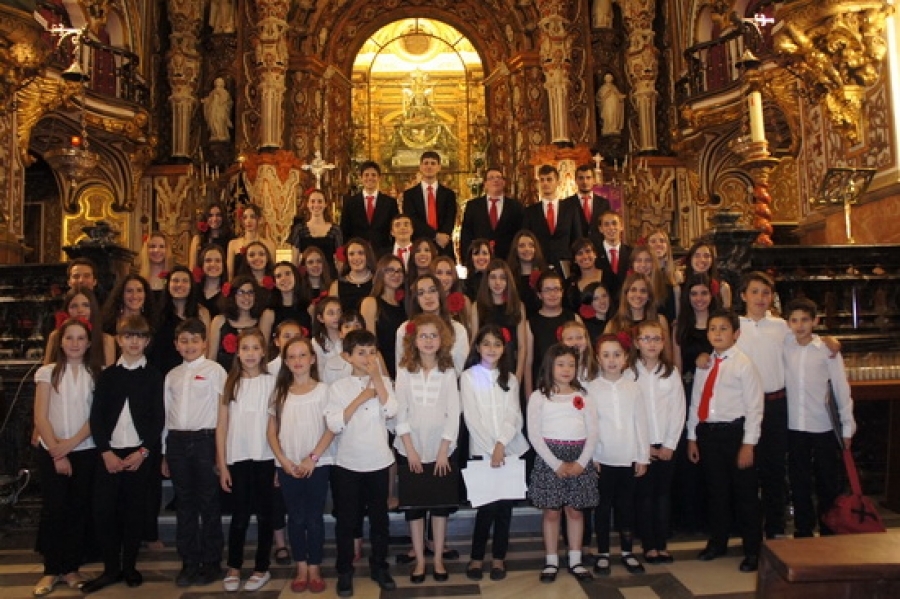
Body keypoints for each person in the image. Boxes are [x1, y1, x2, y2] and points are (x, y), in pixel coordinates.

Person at [82, 315, 164, 594]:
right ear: (119, 340)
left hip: (139, 455)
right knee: (104, 511)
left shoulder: (153, 376)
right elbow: (97, 417)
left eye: (139, 337)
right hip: (110, 454)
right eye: (128, 336)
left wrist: (143, 451)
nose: (134, 342)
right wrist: (105, 452)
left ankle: (129, 566)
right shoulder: (108, 376)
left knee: (134, 512)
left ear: (147, 341)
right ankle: (110, 568)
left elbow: (157, 419)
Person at [686, 309, 763, 573]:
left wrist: (748, 444)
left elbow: (755, 407)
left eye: (723, 329)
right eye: (713, 329)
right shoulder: (705, 364)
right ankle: (718, 542)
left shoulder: (743, 364)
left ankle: (753, 549)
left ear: (736, 334)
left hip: (736, 434)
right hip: (709, 434)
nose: (717, 333)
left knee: (745, 494)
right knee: (716, 492)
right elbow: (696, 401)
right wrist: (692, 437)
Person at [324, 329, 398, 597]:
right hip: (348, 464)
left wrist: (377, 379)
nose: (367, 358)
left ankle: (379, 566)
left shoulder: (384, 383)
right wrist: (360, 399)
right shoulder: (338, 387)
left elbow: (392, 412)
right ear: (348, 357)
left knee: (380, 520)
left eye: (372, 352)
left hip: (378, 461)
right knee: (346, 521)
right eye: (361, 353)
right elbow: (334, 423)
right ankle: (345, 570)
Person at [32, 318, 101, 597]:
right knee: (54, 509)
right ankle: (51, 569)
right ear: (60, 342)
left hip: (84, 450)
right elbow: (41, 416)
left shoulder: (95, 373)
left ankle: (71, 568)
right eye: (69, 338)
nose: (74, 343)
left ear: (88, 343)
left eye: (80, 338)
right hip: (51, 450)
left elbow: (96, 417)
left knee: (77, 509)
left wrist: (71, 445)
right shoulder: (47, 372)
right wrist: (57, 452)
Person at [394, 314, 461, 584]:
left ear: (441, 339)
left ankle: (438, 559)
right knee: (415, 508)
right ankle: (420, 560)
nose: (429, 340)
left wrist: (444, 449)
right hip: (411, 449)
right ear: (414, 340)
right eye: (423, 336)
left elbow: (453, 412)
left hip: (441, 449)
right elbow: (400, 412)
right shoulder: (404, 371)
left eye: (434, 335)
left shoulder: (448, 371)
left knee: (439, 507)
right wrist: (410, 449)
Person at [460, 324, 530, 582]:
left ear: (504, 349)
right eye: (486, 343)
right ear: (478, 347)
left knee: (505, 510)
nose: (491, 349)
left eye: (497, 344)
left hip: (509, 450)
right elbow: (472, 418)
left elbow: (514, 415)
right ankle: (477, 558)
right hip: (482, 452)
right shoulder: (468, 377)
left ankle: (499, 557)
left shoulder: (509, 378)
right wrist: (492, 449)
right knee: (486, 508)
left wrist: (501, 445)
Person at [162, 318, 228, 587]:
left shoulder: (215, 371)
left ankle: (212, 561)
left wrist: (221, 453)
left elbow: (223, 413)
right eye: (184, 341)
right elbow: (167, 414)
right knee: (185, 504)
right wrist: (164, 452)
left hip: (205, 440)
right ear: (176, 345)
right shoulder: (172, 375)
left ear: (204, 343)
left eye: (195, 340)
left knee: (209, 502)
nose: (189, 345)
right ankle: (189, 561)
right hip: (177, 442)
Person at [783, 298, 855, 538]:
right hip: (795, 426)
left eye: (805, 320)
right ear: (788, 323)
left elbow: (841, 388)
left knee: (827, 481)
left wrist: (847, 426)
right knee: (799, 480)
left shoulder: (827, 350)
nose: (799, 325)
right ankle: (803, 529)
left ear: (815, 321)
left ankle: (828, 528)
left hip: (823, 425)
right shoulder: (785, 346)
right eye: (794, 320)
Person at [268, 336, 335, 594]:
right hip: (287, 465)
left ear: (312, 359)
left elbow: (331, 428)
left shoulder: (324, 391)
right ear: (285, 362)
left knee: (314, 518)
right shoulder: (280, 392)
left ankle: (315, 567)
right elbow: (271, 432)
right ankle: (301, 567)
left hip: (317, 464)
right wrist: (283, 460)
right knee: (295, 518)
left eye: (302, 355)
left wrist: (312, 458)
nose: (298, 360)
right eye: (292, 356)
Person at [527, 344, 599, 583]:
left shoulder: (583, 396)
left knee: (575, 511)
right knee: (551, 512)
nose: (566, 369)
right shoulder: (539, 396)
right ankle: (551, 561)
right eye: (560, 364)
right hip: (550, 458)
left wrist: (581, 462)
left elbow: (593, 431)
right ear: (550, 366)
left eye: (571, 365)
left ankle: (575, 560)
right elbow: (534, 434)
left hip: (579, 456)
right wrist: (556, 463)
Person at [216, 329, 276, 592]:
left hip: (265, 456)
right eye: (245, 348)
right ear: (237, 352)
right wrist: (222, 464)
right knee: (239, 515)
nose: (250, 353)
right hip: (238, 457)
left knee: (265, 515)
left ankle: (262, 567)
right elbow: (221, 426)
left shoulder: (272, 382)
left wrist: (279, 462)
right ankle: (234, 566)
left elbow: (278, 424)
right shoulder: (230, 383)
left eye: (255, 348)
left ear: (263, 352)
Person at [587, 332, 649, 576]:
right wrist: (592, 457)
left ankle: (627, 551)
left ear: (625, 358)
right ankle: (603, 552)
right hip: (603, 459)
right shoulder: (591, 389)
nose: (611, 360)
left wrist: (642, 456)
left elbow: (641, 423)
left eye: (616, 355)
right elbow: (590, 425)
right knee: (602, 508)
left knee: (626, 507)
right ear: (598, 358)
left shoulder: (633, 388)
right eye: (606, 355)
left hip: (628, 457)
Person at [633, 320, 685, 565]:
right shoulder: (629, 373)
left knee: (663, 495)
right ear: (637, 343)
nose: (651, 344)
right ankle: (648, 545)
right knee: (644, 496)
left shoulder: (670, 372)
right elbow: (630, 413)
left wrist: (670, 444)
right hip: (641, 445)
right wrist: (642, 447)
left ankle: (662, 543)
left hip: (666, 443)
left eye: (656, 339)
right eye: (646, 338)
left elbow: (678, 408)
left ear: (663, 343)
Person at [671, 273, 716, 534]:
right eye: (694, 294)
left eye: (704, 293)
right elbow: (677, 366)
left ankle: (715, 518)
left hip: (718, 396)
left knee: (712, 456)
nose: (699, 299)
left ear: (712, 295)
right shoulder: (680, 327)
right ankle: (690, 518)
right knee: (689, 459)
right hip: (688, 393)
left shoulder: (720, 325)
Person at [397, 274, 470, 375]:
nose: (428, 296)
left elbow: (461, 370)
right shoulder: (404, 329)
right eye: (421, 293)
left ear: (440, 294)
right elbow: (401, 367)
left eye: (432, 290)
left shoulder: (458, 329)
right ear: (416, 299)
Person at [525, 271, 579, 398]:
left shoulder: (574, 318)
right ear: (539, 294)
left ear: (562, 292)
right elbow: (528, 364)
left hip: (572, 386)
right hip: (543, 386)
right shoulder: (531, 323)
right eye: (547, 290)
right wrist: (529, 397)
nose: (552, 294)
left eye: (556, 289)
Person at [471, 259, 527, 383]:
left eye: (502, 278)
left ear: (508, 281)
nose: (498, 282)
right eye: (493, 277)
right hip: (485, 367)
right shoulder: (477, 306)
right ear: (486, 280)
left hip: (510, 365)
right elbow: (474, 341)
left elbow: (522, 346)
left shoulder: (518, 306)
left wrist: (518, 377)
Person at [148, 266, 211, 376]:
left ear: (191, 286)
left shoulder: (202, 313)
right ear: (168, 284)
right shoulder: (156, 312)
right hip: (160, 371)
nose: (179, 285)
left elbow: (206, 347)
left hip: (191, 373)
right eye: (175, 280)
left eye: (185, 281)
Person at [522, 164, 583, 275]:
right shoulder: (530, 212)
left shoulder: (570, 209)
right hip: (539, 264)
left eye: (549, 179)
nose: (545, 183)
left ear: (557, 182)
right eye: (542, 180)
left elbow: (577, 239)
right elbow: (526, 239)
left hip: (565, 265)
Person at [207, 275, 274, 372]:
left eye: (250, 292)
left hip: (252, 376)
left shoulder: (262, 321)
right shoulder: (219, 321)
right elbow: (211, 357)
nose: (246, 297)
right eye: (241, 292)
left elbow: (264, 356)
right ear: (232, 295)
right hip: (223, 377)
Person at [459, 167, 524, 263]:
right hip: (480, 259)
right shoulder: (473, 206)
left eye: (498, 177)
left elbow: (520, 233)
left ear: (504, 182)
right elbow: (466, 234)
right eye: (491, 178)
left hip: (508, 259)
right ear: (485, 183)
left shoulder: (515, 206)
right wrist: (466, 259)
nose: (495, 180)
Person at [403, 151, 458, 260]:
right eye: (426, 163)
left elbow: (450, 218)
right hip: (419, 244)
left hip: (443, 244)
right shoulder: (410, 194)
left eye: (433, 163)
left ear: (439, 167)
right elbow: (412, 219)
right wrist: (435, 235)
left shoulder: (448, 194)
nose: (429, 166)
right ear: (420, 167)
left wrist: (443, 236)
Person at [360, 254, 407, 380]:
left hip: (404, 367)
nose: (395, 274)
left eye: (399, 271)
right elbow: (371, 345)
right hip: (382, 368)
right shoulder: (371, 303)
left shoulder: (404, 306)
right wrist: (386, 376)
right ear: (381, 273)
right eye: (390, 270)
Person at [340, 161, 399, 258]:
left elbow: (394, 229)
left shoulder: (390, 203)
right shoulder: (350, 203)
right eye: (366, 175)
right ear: (361, 178)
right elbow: (345, 230)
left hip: (383, 252)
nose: (370, 178)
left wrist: (391, 250)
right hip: (357, 253)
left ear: (379, 178)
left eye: (373, 175)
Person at [45, 286, 115, 367]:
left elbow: (110, 373)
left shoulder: (106, 340)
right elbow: (46, 370)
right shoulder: (55, 336)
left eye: (86, 305)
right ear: (66, 310)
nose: (80, 310)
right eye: (74, 306)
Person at [288, 188, 343, 278]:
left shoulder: (335, 230)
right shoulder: (299, 229)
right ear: (308, 204)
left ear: (325, 204)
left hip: (329, 275)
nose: (316, 205)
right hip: (306, 277)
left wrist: (341, 278)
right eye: (312, 201)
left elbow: (340, 259)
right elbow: (295, 259)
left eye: (320, 201)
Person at [629, 244, 676, 323]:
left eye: (648, 260)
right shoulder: (626, 287)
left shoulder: (666, 289)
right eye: (638, 260)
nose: (643, 265)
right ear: (632, 264)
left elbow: (670, 320)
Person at [227, 204, 276, 280]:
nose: (248, 221)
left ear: (260, 220)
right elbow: (230, 274)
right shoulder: (233, 244)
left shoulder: (270, 245)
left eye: (252, 217)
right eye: (245, 217)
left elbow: (272, 271)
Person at [589, 210, 631, 300]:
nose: (611, 227)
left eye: (614, 223)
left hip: (627, 301)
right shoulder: (593, 254)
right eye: (606, 224)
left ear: (621, 226)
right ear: (600, 229)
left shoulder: (631, 253)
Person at [329, 238, 376, 313]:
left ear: (368, 255)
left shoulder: (378, 282)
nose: (356, 258)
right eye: (351, 254)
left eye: (361, 253)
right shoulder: (336, 286)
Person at [508, 230, 547, 318]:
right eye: (522, 246)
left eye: (531, 245)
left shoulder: (545, 275)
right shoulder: (509, 276)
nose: (527, 249)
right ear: (515, 250)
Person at [683, 240, 731, 308]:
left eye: (706, 256)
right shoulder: (681, 285)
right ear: (690, 259)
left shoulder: (723, 288)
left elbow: (727, 313)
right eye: (697, 256)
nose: (702, 260)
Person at [565, 165, 610, 235]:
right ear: (576, 180)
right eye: (581, 178)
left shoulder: (603, 203)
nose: (585, 182)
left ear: (594, 180)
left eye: (588, 178)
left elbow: (607, 226)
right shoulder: (566, 203)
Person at [189, 201, 234, 271]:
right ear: (206, 218)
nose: (215, 219)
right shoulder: (198, 239)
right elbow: (192, 267)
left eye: (218, 215)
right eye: (211, 216)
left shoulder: (231, 240)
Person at [269, 261, 311, 334]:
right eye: (278, 276)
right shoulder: (269, 313)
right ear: (274, 283)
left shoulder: (310, 308)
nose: (284, 278)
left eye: (288, 274)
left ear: (295, 277)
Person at [565, 238, 604, 313]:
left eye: (588, 251)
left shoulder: (609, 277)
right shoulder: (569, 284)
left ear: (595, 254)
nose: (585, 256)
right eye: (580, 253)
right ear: (574, 259)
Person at [194, 244, 227, 319]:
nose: (213, 264)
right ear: (202, 264)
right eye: (208, 260)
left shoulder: (230, 293)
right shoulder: (193, 290)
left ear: (223, 265)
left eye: (218, 261)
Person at [138, 231, 173, 298]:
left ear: (167, 249)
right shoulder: (138, 276)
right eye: (152, 246)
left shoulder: (173, 275)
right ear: (146, 249)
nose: (157, 250)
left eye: (161, 246)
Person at [311, 296, 343, 367]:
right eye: (331, 313)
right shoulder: (315, 342)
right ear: (320, 318)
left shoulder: (347, 337)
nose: (336, 316)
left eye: (339, 312)